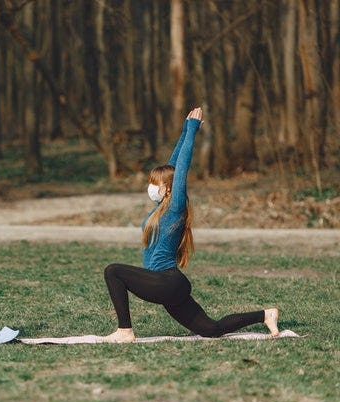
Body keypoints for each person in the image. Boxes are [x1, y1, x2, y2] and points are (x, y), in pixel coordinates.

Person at [102, 107, 279, 343]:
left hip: (167, 282)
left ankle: (125, 330)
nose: (150, 187)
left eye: (154, 183)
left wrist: (193, 131)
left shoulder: (175, 209)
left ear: (167, 189)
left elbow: (180, 172)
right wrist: (185, 128)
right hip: (169, 286)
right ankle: (266, 315)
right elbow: (173, 167)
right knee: (211, 329)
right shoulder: (160, 210)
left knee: (113, 271)